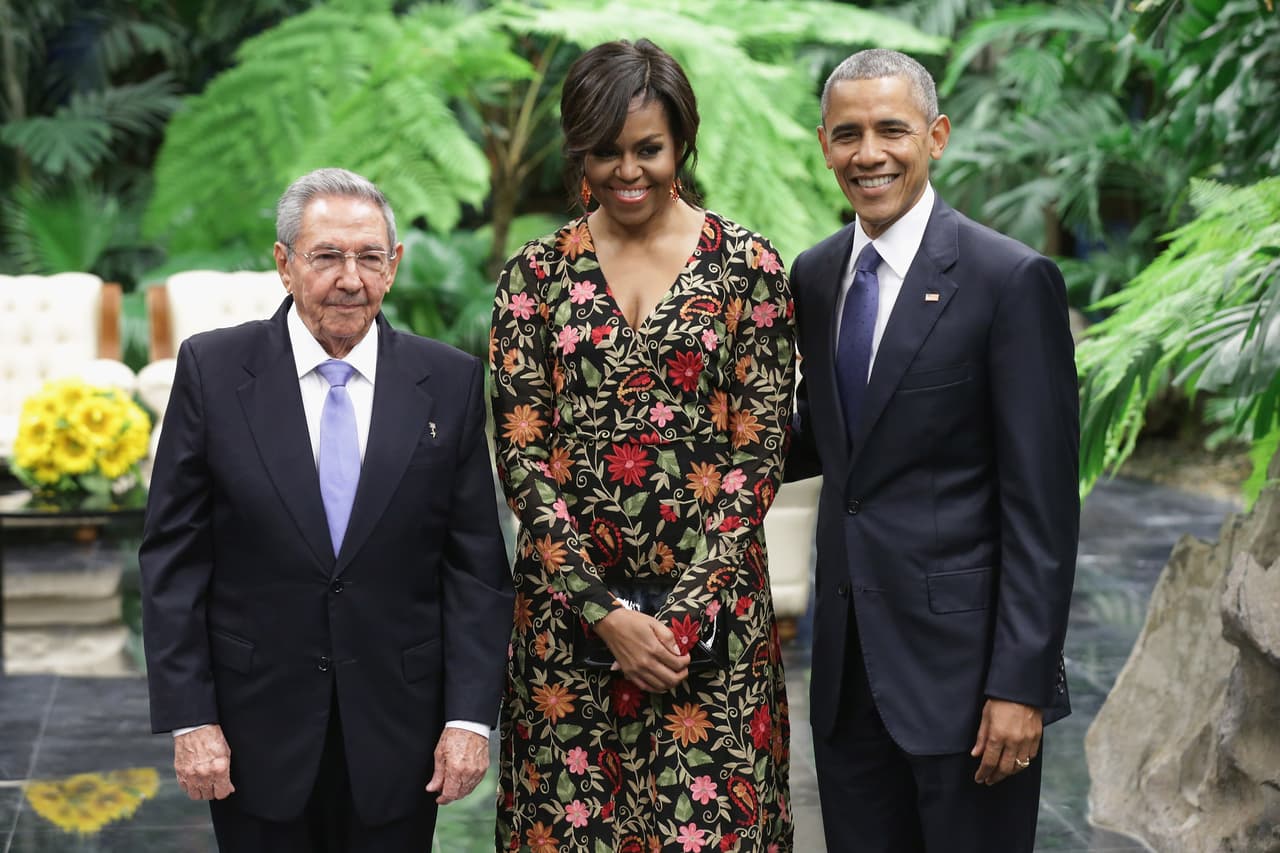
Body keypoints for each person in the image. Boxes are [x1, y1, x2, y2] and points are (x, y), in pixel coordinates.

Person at [139, 167, 514, 852]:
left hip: (401, 735)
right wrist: (191, 718)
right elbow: (173, 559)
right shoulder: (214, 372)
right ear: (284, 264)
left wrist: (468, 720)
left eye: (369, 257)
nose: (351, 278)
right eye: (327, 256)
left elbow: (476, 570)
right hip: (253, 733)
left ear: (394, 266)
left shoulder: (450, 382)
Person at [490, 39, 795, 852]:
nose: (627, 171)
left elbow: (758, 451)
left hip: (713, 639)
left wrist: (679, 620)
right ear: (580, 151)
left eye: (648, 150)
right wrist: (607, 615)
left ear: (681, 144)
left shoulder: (747, 270)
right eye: (606, 151)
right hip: (569, 640)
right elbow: (523, 457)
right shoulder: (535, 279)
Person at [786, 49, 1079, 852]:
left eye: (891, 129)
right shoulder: (813, 276)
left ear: (937, 135)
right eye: (847, 134)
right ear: (823, 144)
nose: (868, 153)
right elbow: (828, 435)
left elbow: (1042, 507)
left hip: (968, 685)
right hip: (847, 679)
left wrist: (1020, 683)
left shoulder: (1008, 280)